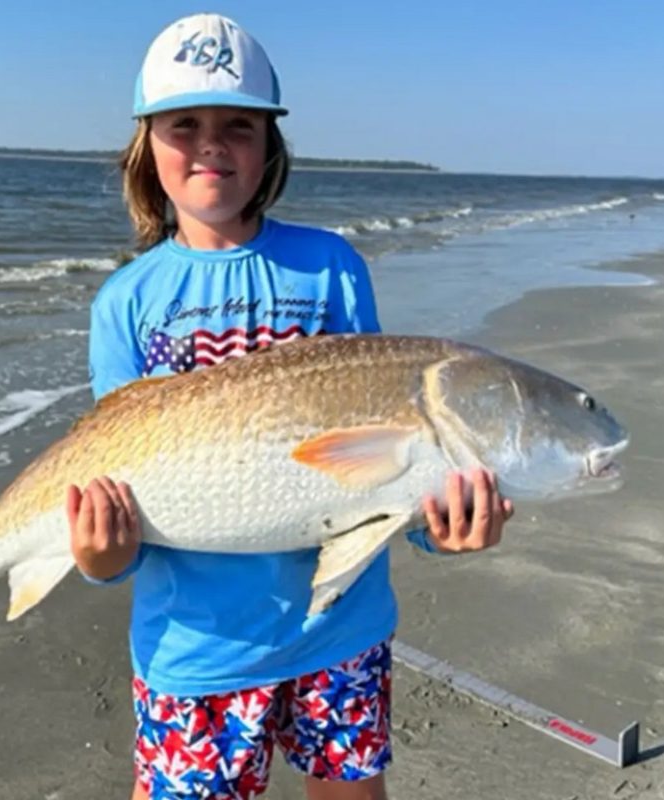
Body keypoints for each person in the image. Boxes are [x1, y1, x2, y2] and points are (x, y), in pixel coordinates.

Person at [67, 13, 513, 800]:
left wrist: (444, 530)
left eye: (238, 125)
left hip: (340, 632)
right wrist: (100, 555)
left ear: (270, 144)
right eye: (185, 125)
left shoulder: (332, 267)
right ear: (146, 147)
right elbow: (118, 518)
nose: (211, 145)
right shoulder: (124, 303)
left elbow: (388, 457)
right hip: (196, 649)